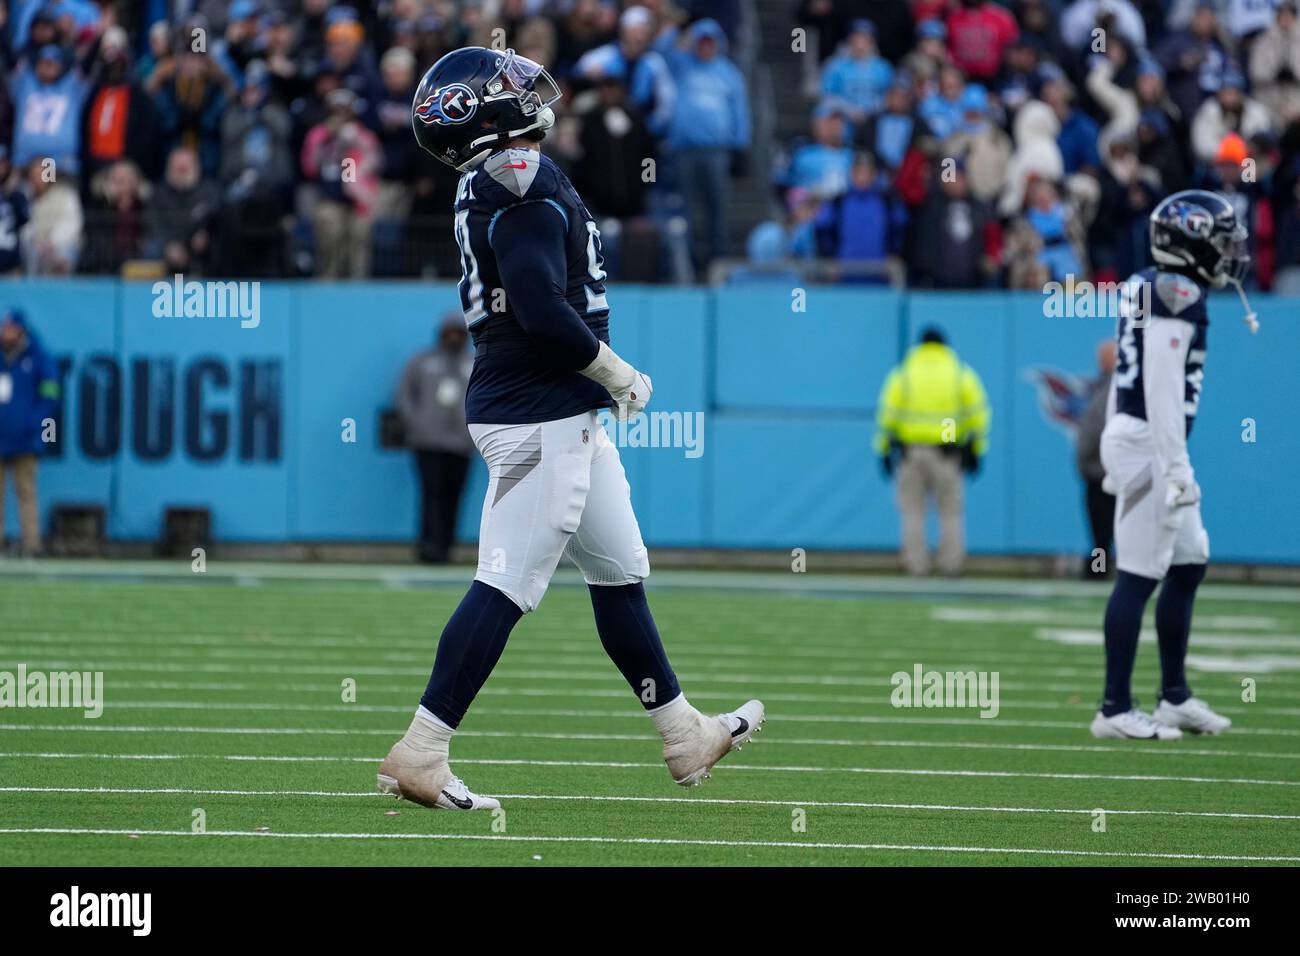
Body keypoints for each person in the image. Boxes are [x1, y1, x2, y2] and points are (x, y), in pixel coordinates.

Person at [379, 46, 763, 811]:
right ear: (480, 114)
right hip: (541, 414)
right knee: (507, 584)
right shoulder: (516, 177)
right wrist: (617, 373)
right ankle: (422, 749)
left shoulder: (491, 174)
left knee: (620, 573)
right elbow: (540, 308)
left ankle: (682, 731)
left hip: (557, 412)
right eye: (504, 85)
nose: (523, 88)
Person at [1091, 190, 1249, 740]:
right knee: (1138, 573)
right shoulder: (1176, 293)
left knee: (1188, 561)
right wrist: (1173, 467)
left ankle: (1174, 695)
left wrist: (1121, 443)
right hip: (1152, 446)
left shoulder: (1144, 283)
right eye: (1220, 239)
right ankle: (1113, 708)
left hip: (1142, 441)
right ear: (1188, 242)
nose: (1230, 251)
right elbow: (1160, 386)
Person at [874, 327, 990, 577]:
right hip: (947, 451)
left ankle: (916, 566)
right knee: (950, 512)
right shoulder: (959, 373)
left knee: (913, 512)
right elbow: (978, 414)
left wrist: (883, 449)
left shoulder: (904, 373)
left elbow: (887, 414)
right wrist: (977, 449)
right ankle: (951, 565)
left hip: (910, 450)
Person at [396, 315, 474, 564]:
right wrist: (417, 423)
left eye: (458, 332)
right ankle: (428, 545)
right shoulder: (423, 361)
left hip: (462, 444)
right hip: (428, 441)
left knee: (455, 495)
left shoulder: (474, 362)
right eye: (449, 332)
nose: (453, 337)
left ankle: (446, 547)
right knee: (431, 493)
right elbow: (404, 394)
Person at [0, 309, 61, 557]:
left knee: (26, 492)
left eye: (9, 328)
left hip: (27, 439)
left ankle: (31, 545)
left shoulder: (39, 358)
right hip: (0, 437)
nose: (5, 332)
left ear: (21, 330)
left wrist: (36, 424)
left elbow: (50, 396)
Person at [1076, 339, 1117, 580]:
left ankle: (1101, 571)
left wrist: (1086, 457)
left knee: (1103, 528)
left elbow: (1096, 427)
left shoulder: (1113, 387)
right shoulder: (1104, 385)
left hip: (1103, 469)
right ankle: (1101, 568)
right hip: (1101, 468)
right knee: (1101, 529)